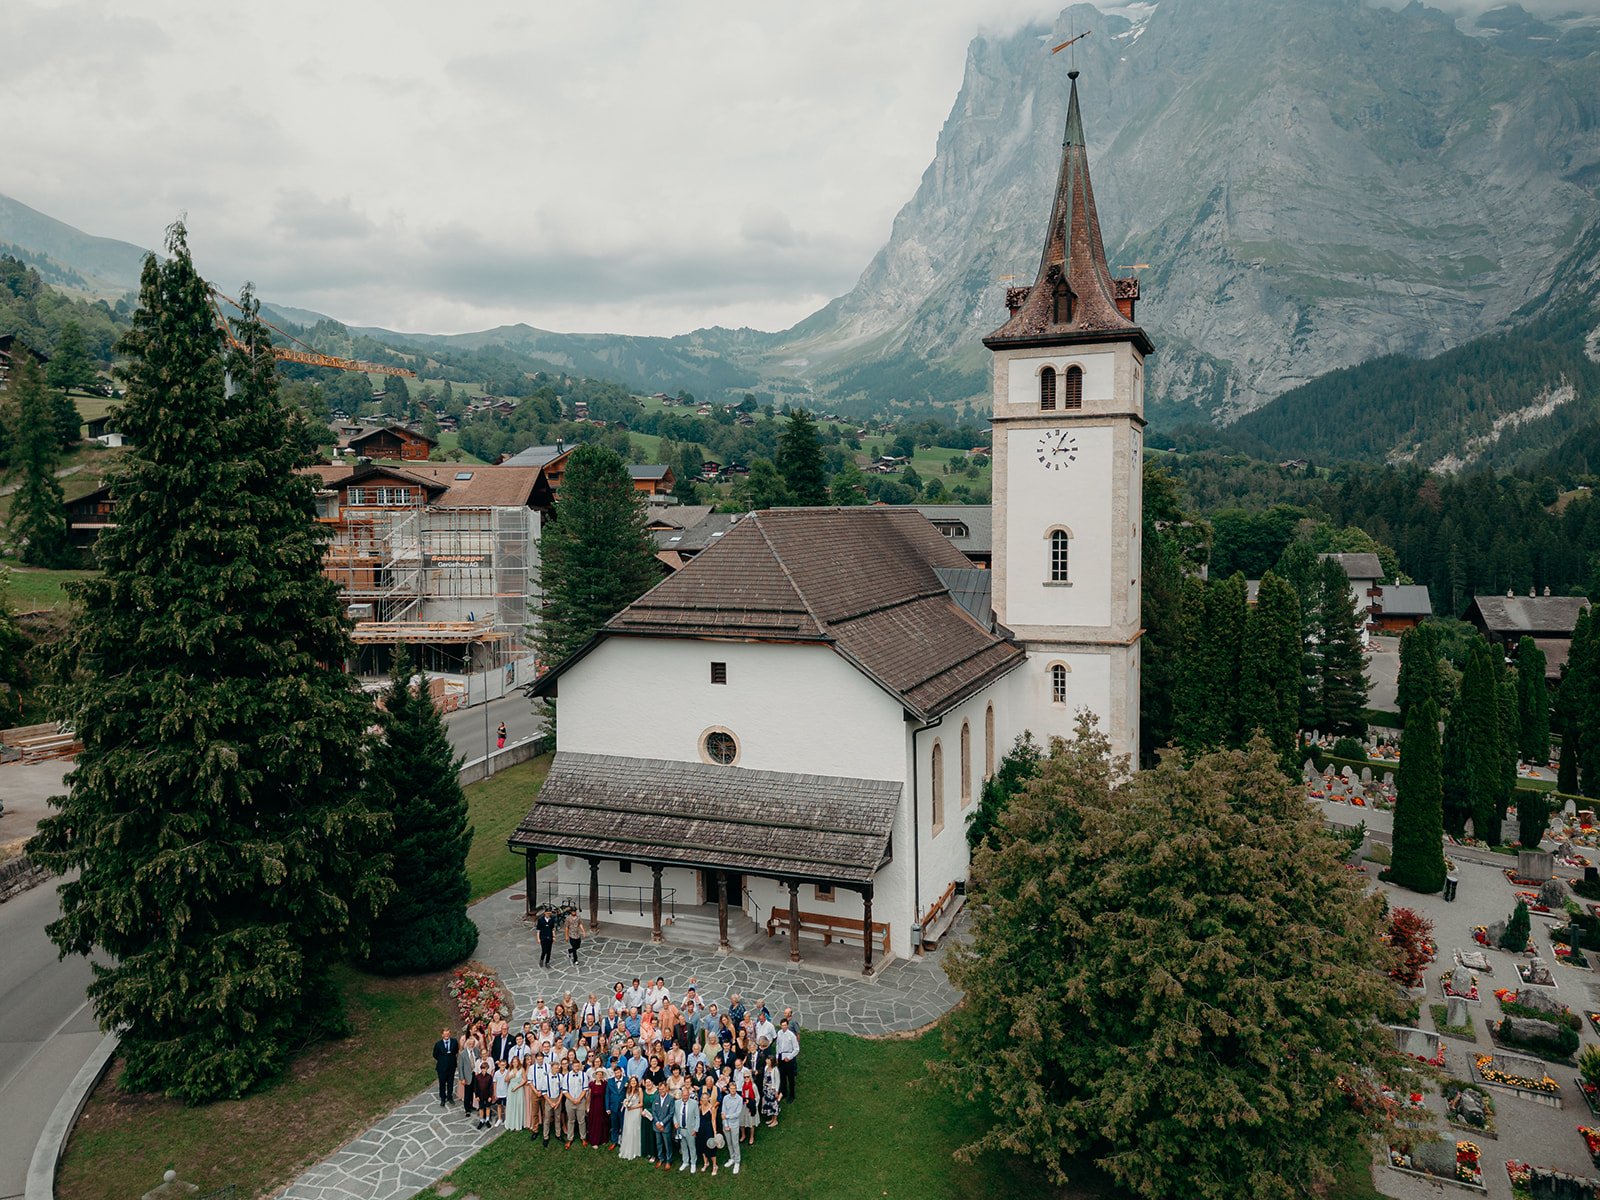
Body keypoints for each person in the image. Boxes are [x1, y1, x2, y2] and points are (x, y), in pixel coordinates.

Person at [720, 1079, 746, 1174]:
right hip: (726, 1124)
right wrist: (726, 1124)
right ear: (729, 1089)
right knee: (729, 1143)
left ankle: (737, 1161)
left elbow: (737, 1114)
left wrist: (727, 1117)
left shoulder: (739, 1099)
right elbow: (723, 1111)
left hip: (734, 1124)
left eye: (734, 1089)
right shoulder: (726, 1098)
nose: (733, 1090)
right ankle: (732, 1158)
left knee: (735, 1143)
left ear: (736, 1089)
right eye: (731, 1089)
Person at [650, 1078, 676, 1169]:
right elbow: (653, 1111)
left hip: (666, 1126)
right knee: (659, 1143)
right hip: (656, 1125)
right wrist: (657, 1122)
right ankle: (661, 1158)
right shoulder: (656, 1097)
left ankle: (669, 1160)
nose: (661, 1091)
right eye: (660, 1089)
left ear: (666, 1089)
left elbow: (671, 1113)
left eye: (663, 1089)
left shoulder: (671, 1099)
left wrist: (662, 1123)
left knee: (667, 1144)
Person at [618, 1077, 645, 1161]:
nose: (633, 1082)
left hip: (635, 1112)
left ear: (637, 1082)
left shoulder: (639, 1090)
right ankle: (627, 1147)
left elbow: (641, 1103)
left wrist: (632, 1107)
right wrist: (626, 1104)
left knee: (634, 1130)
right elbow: (626, 1100)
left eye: (634, 1081)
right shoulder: (628, 1090)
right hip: (628, 1113)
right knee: (628, 1129)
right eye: (631, 1081)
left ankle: (635, 1150)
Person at [676, 1083, 700, 1173]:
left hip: (690, 1129)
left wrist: (696, 1129)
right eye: (684, 1095)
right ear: (681, 1095)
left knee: (692, 1147)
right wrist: (675, 1122)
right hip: (681, 1129)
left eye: (687, 1095)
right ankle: (685, 1162)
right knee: (683, 1146)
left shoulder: (694, 1103)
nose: (685, 1097)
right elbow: (675, 1114)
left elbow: (697, 1116)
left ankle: (693, 1163)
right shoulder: (677, 1103)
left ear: (689, 1095)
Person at [562, 1059, 588, 1147]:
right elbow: (565, 1091)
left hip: (581, 1101)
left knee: (581, 1121)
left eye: (578, 1066)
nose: (577, 1068)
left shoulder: (584, 1075)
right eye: (575, 1066)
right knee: (570, 1120)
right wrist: (573, 1100)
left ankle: (583, 1137)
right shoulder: (567, 1076)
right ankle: (570, 1138)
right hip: (570, 1101)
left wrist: (579, 1099)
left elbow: (585, 1089)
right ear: (572, 1066)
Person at [697, 1086, 721, 1177]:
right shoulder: (700, 1107)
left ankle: (715, 1165)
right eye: (703, 1098)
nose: (704, 1100)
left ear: (709, 1099)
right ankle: (706, 1163)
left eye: (706, 1098)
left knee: (711, 1148)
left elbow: (713, 1120)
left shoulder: (712, 1108)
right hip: (701, 1129)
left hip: (709, 1129)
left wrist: (715, 1132)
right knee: (702, 1146)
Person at [432, 1029, 459, 1108]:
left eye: (448, 1034)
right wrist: (442, 1060)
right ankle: (443, 1098)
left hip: (451, 1066)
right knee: (442, 1083)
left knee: (450, 1083)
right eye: (445, 1034)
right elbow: (435, 1054)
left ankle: (450, 1097)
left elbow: (456, 1051)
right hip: (442, 1067)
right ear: (442, 1035)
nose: (446, 1036)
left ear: (450, 1034)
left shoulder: (454, 1041)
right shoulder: (438, 1044)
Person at [775, 1017, 799, 1101]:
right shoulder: (779, 1033)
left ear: (787, 1025)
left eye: (785, 1025)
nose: (783, 1027)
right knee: (782, 1077)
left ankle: (792, 1095)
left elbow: (796, 1049)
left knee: (791, 1078)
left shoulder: (791, 1035)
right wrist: (777, 1056)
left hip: (789, 1057)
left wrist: (789, 1057)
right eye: (782, 1025)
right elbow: (778, 1045)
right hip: (781, 1056)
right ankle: (783, 1092)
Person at [586, 1063, 609, 1148]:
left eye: (601, 1074)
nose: (599, 1075)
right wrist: (587, 1106)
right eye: (598, 1074)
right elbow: (589, 1096)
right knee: (594, 1122)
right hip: (594, 1106)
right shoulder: (591, 1084)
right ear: (595, 1075)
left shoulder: (605, 1084)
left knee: (602, 1122)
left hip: (602, 1106)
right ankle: (594, 1140)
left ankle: (602, 1139)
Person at [761, 1051, 782, 1127]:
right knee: (769, 1104)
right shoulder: (766, 1067)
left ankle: (775, 1120)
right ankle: (772, 1119)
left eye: (768, 1060)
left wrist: (776, 1091)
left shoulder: (775, 1069)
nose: (766, 1061)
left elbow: (777, 1081)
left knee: (774, 1104)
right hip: (766, 1089)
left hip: (772, 1090)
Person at [505, 1059, 526, 1132]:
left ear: (518, 1062)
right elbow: (506, 1080)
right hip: (511, 1088)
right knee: (511, 1105)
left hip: (519, 1088)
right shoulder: (509, 1069)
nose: (515, 1063)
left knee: (518, 1105)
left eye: (516, 1062)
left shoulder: (522, 1069)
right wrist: (511, 1077)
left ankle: (518, 1124)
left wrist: (517, 1087)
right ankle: (511, 1124)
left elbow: (524, 1080)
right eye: (513, 1062)